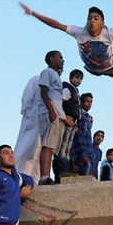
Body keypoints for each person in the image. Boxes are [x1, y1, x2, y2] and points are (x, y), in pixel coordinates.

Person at [19, 3, 113, 77]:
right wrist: (33, 13)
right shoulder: (79, 32)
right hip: (91, 69)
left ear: (102, 23)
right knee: (95, 69)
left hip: (111, 68)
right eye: (89, 18)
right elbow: (56, 25)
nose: (92, 21)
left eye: (96, 18)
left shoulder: (109, 32)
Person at [38, 51, 73, 185]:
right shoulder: (47, 72)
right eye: (60, 57)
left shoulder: (57, 77)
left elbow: (57, 100)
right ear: (51, 59)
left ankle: (47, 176)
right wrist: (51, 111)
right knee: (47, 145)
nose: (62, 60)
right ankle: (44, 177)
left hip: (57, 115)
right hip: (48, 113)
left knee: (52, 147)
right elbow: (44, 92)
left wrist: (63, 118)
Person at [56, 70, 83, 177]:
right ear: (71, 78)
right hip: (68, 120)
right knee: (63, 145)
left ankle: (66, 168)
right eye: (76, 77)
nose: (78, 80)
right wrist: (64, 117)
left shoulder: (76, 92)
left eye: (80, 78)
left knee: (68, 147)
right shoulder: (67, 89)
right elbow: (60, 101)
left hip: (74, 123)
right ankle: (62, 169)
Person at [14, 76, 41, 184]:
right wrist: (28, 113)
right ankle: (19, 178)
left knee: (37, 153)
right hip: (31, 119)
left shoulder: (55, 85)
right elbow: (27, 96)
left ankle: (34, 181)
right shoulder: (36, 79)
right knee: (26, 150)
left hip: (43, 123)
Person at [71, 93, 93, 176]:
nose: (89, 104)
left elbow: (88, 136)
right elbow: (79, 135)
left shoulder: (89, 117)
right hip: (78, 153)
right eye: (87, 101)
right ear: (81, 102)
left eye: (91, 102)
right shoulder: (78, 114)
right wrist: (83, 154)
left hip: (88, 153)